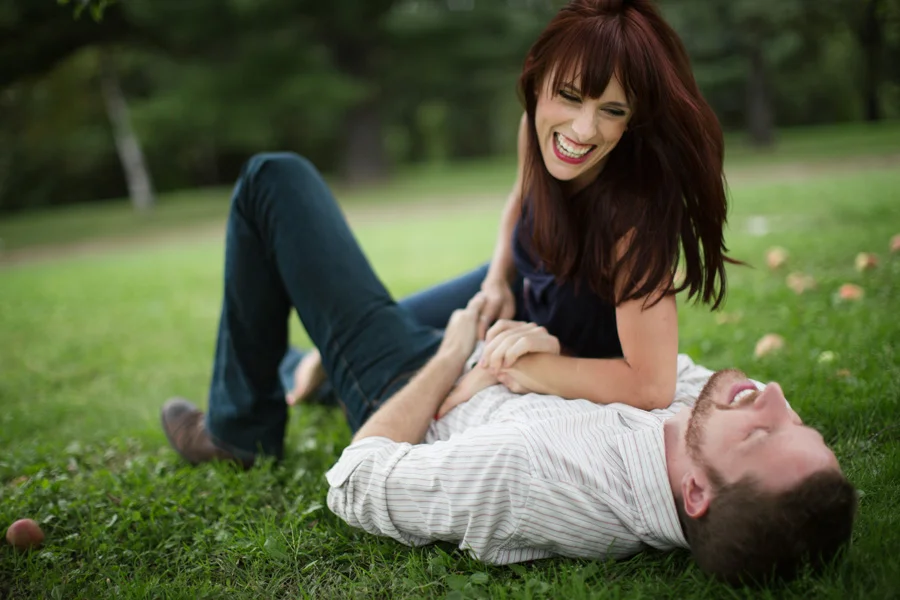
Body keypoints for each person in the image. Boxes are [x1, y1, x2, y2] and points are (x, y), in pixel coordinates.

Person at [160, 152, 856, 586]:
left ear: (698, 494)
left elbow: (356, 480)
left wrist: (451, 351)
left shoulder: (531, 472)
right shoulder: (695, 433)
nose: (772, 395)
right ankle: (301, 371)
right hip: (498, 348)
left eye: (762, 436)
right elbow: (659, 376)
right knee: (327, 329)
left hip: (417, 378)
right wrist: (546, 356)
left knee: (273, 181)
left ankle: (241, 430)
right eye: (796, 421)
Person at [285, 0, 737, 413]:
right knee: (361, 337)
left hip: (552, 338)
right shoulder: (536, 133)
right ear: (538, 81)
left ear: (633, 121)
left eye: (613, 110)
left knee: (377, 363)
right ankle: (309, 366)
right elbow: (521, 198)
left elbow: (652, 387)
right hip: (519, 287)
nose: (582, 130)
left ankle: (313, 371)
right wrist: (497, 278)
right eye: (570, 95)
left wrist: (522, 368)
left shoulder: (633, 223)